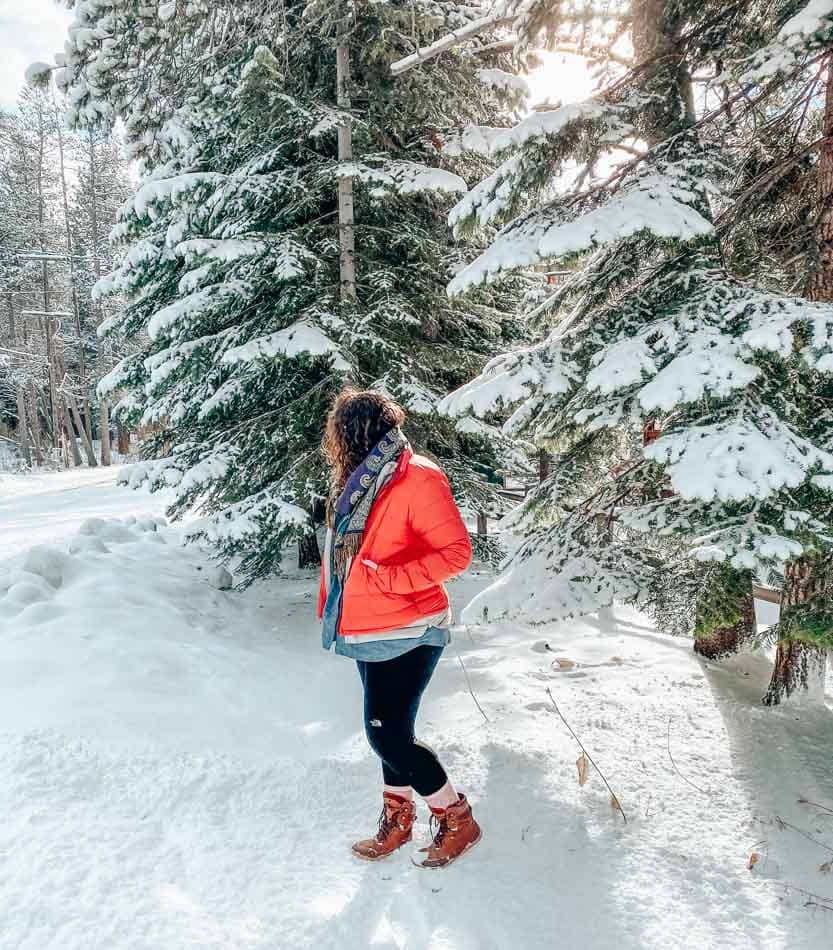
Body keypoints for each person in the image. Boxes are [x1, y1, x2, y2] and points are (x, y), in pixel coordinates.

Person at [318, 388, 481, 869]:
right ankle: (398, 820)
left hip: (408, 628)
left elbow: (456, 554)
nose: (336, 447)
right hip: (369, 627)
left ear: (354, 435)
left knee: (386, 736)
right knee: (393, 732)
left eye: (339, 436)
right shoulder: (363, 481)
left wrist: (388, 579)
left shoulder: (416, 478)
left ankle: (457, 818)